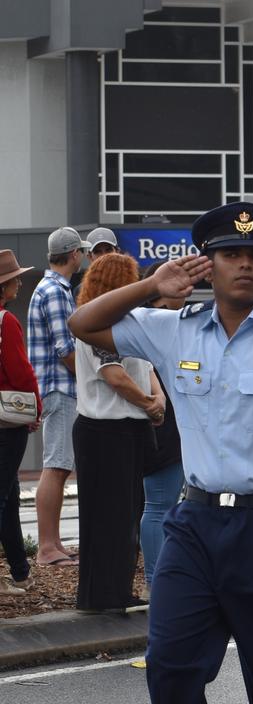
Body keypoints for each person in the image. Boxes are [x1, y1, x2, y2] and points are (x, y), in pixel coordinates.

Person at [68, 202, 253, 702]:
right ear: (208, 264)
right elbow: (82, 323)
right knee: (170, 668)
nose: (244, 263)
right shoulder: (175, 328)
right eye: (230, 254)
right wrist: (151, 286)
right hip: (196, 524)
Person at [72, 252, 161, 611]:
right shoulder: (97, 324)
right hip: (106, 429)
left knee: (124, 515)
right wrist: (149, 402)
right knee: (109, 517)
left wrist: (155, 399)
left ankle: (114, 590)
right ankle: (102, 595)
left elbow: (144, 366)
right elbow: (114, 375)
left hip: (124, 427)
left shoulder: (123, 323)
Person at [26, 226, 87, 568]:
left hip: (53, 387)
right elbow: (66, 348)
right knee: (57, 465)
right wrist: (94, 382)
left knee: (59, 465)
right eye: (82, 253)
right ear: (74, 254)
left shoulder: (48, 287)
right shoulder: (56, 291)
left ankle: (53, 544)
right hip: (60, 387)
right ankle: (48, 548)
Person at [138, 263, 186, 600]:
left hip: (174, 423)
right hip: (160, 424)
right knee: (158, 503)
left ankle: (162, 577)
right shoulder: (150, 321)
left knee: (166, 505)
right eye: (178, 282)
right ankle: (155, 581)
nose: (186, 288)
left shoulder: (176, 321)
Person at [0, 249, 38, 595]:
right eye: (14, 279)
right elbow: (21, 372)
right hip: (7, 421)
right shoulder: (6, 320)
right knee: (3, 495)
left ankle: (20, 571)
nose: (20, 282)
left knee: (10, 495)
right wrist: (35, 410)